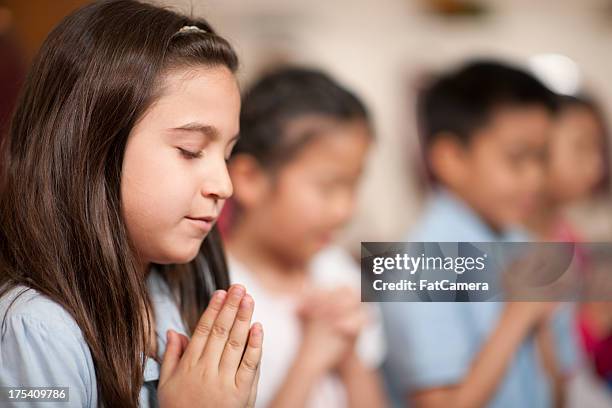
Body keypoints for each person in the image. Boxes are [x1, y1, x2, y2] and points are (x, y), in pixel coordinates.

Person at [0, 1, 262, 407]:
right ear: (92, 147)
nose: (223, 185)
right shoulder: (36, 331)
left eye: (225, 154)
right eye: (191, 150)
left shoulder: (174, 295)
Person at [382, 60, 577, 408]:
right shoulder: (422, 261)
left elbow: (561, 387)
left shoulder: (526, 245)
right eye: (517, 160)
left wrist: (541, 323)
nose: (535, 178)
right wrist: (518, 317)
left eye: (542, 158)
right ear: (450, 158)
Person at [222, 67, 388, 408]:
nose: (346, 210)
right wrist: (312, 358)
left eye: (353, 185)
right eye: (328, 187)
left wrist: (350, 357)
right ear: (250, 178)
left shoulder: (336, 270)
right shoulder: (218, 292)